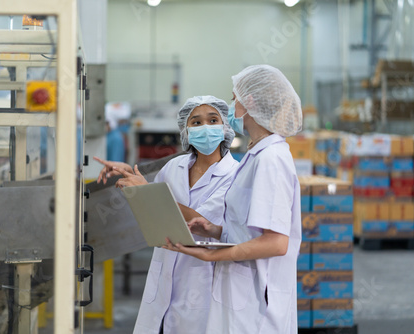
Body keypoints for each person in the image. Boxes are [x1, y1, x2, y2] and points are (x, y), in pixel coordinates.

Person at [163, 65, 303, 334]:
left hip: (257, 307)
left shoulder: (271, 159)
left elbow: (276, 242)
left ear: (249, 102)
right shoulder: (255, 156)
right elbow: (251, 229)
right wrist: (215, 231)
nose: (232, 106)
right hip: (239, 298)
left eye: (234, 98)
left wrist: (214, 255)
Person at [94, 96, 239, 334]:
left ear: (224, 129)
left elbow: (200, 222)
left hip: (202, 283)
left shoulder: (235, 175)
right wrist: (129, 173)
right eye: (196, 122)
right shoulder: (175, 166)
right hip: (164, 275)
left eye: (213, 120)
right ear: (185, 130)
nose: (205, 128)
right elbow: (154, 204)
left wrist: (147, 190)